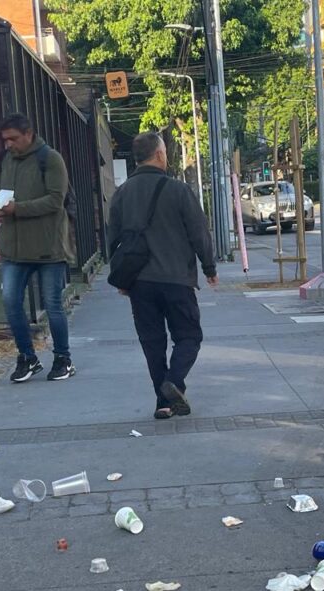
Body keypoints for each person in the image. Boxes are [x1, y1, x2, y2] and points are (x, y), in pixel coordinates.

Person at [107, 132, 217, 419]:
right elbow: (199, 232)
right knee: (189, 336)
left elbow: (113, 239)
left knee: (152, 342)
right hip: (177, 279)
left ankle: (163, 403)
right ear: (159, 154)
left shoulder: (122, 193)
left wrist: (120, 278)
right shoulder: (178, 190)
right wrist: (209, 267)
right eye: (165, 152)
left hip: (140, 284)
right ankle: (174, 381)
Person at [0, 113, 75, 383]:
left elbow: (56, 200)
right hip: (13, 249)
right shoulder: (5, 158)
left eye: (13, 139)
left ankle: (63, 358)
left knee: (53, 305)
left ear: (29, 134)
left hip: (47, 246)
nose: (8, 144)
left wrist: (16, 209)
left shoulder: (50, 158)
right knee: (11, 302)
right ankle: (27, 357)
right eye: (5, 139)